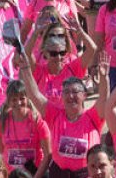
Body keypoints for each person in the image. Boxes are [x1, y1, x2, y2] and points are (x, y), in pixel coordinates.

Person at [18, 50, 108, 178]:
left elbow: (104, 98)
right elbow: (34, 95)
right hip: (59, 173)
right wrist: (26, 68)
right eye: (66, 92)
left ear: (84, 95)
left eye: (75, 92)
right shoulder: (54, 115)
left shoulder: (93, 116)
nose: (70, 96)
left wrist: (104, 78)